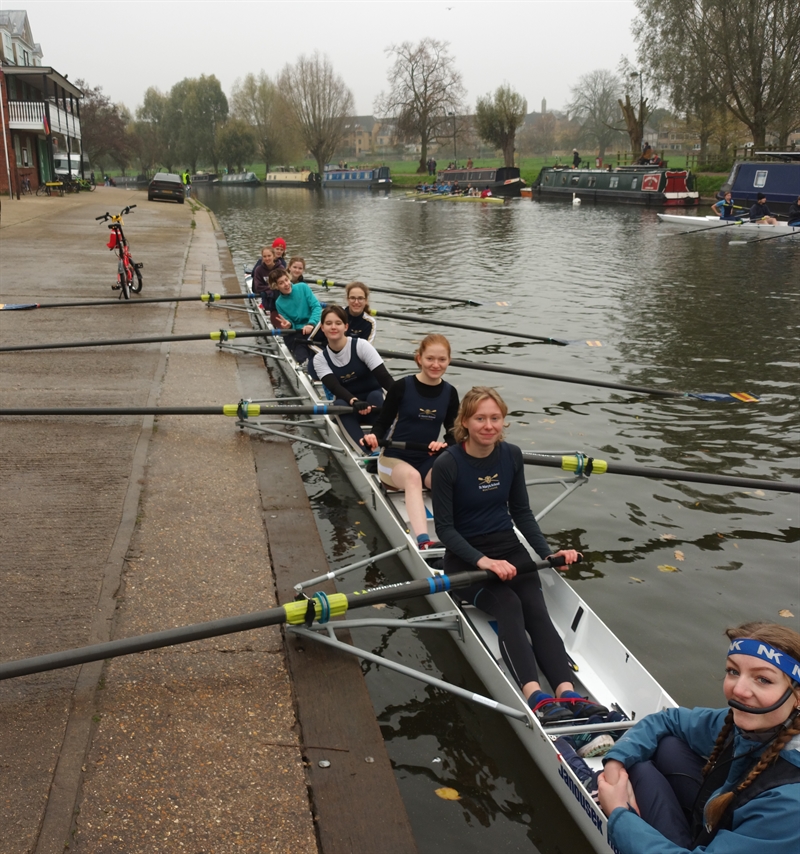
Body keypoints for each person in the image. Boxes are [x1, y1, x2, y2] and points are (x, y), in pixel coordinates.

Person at [431, 386, 602, 724]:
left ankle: (567, 693)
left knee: (535, 606)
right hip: (467, 561)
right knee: (508, 605)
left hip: (511, 549)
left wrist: (548, 553)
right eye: (480, 418)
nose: (488, 425)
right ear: (465, 422)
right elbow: (445, 530)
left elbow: (522, 512)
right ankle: (535, 697)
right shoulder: (447, 463)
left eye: (495, 418)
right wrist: (486, 562)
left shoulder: (511, 456)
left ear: (503, 422)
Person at [598, 622, 800, 854]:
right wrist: (616, 761)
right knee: (665, 747)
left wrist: (618, 814)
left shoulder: (791, 805)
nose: (739, 690)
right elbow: (669, 720)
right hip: (718, 829)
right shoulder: (749, 724)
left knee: (641, 771)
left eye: (763, 679)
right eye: (733, 671)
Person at [362, 334, 459, 550]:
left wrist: (445, 445)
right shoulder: (402, 387)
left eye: (442, 360)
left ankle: (461, 533)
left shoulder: (450, 393)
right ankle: (424, 541)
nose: (436, 365)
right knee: (413, 478)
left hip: (426, 458)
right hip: (393, 458)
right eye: (430, 359)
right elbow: (381, 423)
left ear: (449, 360)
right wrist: (373, 438)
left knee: (451, 478)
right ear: (419, 359)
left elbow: (453, 434)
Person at [312, 305, 394, 444]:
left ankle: (385, 446)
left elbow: (384, 378)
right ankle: (363, 452)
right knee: (339, 403)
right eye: (328, 323)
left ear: (346, 327)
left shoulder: (362, 346)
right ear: (322, 328)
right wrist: (354, 401)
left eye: (338, 323)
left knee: (376, 395)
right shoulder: (320, 359)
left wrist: (405, 398)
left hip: (374, 404)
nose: (333, 327)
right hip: (348, 406)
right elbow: (335, 387)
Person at [269, 267, 322, 364]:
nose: (286, 284)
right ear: (276, 286)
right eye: (281, 283)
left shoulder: (303, 287)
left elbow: (316, 307)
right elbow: (289, 321)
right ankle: (304, 363)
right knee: (302, 356)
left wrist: (311, 323)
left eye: (286, 280)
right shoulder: (279, 303)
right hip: (297, 332)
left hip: (313, 327)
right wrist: (289, 324)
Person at [251, 247, 282, 312]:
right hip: (265, 297)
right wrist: (273, 289)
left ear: (274, 256)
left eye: (269, 256)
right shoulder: (258, 270)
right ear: (262, 258)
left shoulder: (280, 269)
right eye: (264, 256)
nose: (267, 258)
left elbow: (283, 285)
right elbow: (258, 287)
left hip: (279, 297)